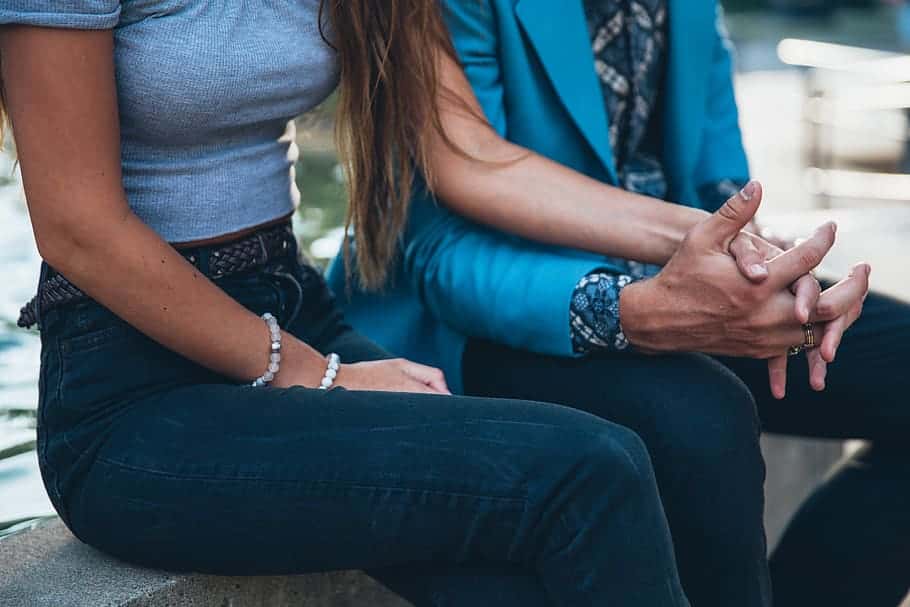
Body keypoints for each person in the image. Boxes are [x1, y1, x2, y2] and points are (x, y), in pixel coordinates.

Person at [0, 2, 721, 605]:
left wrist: (711, 239)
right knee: (591, 471)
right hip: (131, 388)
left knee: (542, 553)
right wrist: (321, 375)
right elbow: (76, 228)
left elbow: (461, 148)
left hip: (286, 300)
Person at [328, 1, 909, 606]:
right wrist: (629, 308)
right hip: (492, 312)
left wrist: (760, 267)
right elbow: (438, 249)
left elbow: (717, 182)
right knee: (700, 421)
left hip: (680, 279)